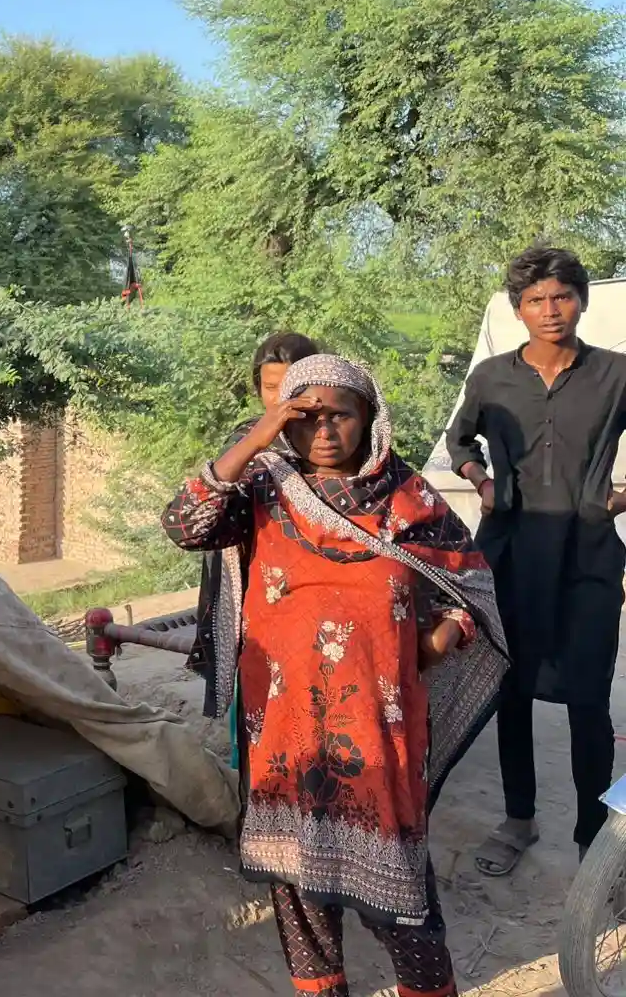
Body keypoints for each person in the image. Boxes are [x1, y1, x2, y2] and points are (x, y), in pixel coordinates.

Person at [163, 354, 507, 997]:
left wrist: (438, 639)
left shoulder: (409, 497)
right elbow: (184, 524)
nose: (323, 431)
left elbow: (473, 587)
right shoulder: (262, 491)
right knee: (297, 889)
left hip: (378, 728)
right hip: (284, 728)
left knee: (403, 901)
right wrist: (259, 435)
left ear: (369, 419)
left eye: (339, 415)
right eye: (305, 416)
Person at [448, 246, 626, 875]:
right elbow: (459, 441)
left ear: (581, 300)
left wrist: (620, 499)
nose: (550, 311)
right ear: (517, 309)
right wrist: (480, 480)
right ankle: (518, 819)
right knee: (513, 690)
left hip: (588, 557)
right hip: (510, 555)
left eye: (562, 297)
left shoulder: (616, 374)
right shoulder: (491, 378)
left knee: (589, 699)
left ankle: (591, 840)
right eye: (535, 300)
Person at [188, 332, 321, 718]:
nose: (279, 400)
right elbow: (192, 519)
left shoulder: (341, 439)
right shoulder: (249, 441)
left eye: (292, 387)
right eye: (270, 388)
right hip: (259, 587)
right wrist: (257, 444)